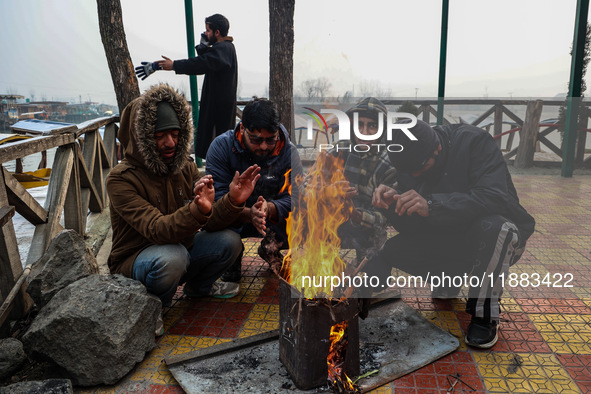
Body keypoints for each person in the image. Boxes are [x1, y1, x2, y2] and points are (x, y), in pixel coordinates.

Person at [106, 83, 260, 335]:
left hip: (180, 248)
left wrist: (232, 201)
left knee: (230, 241)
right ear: (140, 136)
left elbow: (208, 221)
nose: (170, 143)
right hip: (135, 261)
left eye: (175, 134)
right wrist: (196, 212)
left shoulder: (183, 166)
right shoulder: (120, 179)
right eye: (159, 135)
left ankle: (199, 288)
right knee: (172, 257)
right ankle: (151, 309)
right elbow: (157, 230)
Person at [369, 119, 535, 349]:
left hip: (494, 238)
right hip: (447, 235)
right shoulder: (409, 165)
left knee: (497, 229)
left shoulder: (474, 142)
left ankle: (484, 315)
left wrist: (432, 205)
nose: (415, 175)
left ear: (437, 147)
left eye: (420, 167)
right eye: (410, 172)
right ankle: (448, 278)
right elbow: (414, 229)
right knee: (394, 250)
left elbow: (494, 197)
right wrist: (394, 207)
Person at [205, 97, 303, 282]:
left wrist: (269, 208)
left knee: (310, 217)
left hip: (271, 219)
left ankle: (271, 247)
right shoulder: (221, 148)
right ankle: (232, 257)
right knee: (216, 223)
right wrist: (248, 212)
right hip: (234, 217)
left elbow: (296, 197)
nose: (264, 146)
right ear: (242, 129)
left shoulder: (288, 152)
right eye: (256, 140)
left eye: (270, 140)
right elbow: (215, 201)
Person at [135, 13, 237, 159]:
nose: (206, 34)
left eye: (208, 31)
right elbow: (209, 60)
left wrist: (174, 65)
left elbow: (201, 63)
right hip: (217, 108)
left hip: (218, 112)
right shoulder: (223, 50)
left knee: (217, 149)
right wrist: (203, 47)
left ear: (217, 32)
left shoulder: (224, 49)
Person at [328, 97, 397, 264]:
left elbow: (384, 218)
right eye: (360, 125)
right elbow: (305, 186)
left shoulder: (390, 162)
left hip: (367, 233)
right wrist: (328, 191)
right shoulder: (340, 149)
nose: (364, 132)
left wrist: (355, 214)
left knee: (375, 278)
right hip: (332, 225)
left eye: (372, 125)